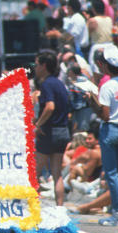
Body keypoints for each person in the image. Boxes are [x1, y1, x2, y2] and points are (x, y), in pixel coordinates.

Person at [86, 45, 118, 227]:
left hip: (110, 129)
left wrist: (92, 102)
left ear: (106, 66)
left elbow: (105, 115)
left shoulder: (107, 86)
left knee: (112, 173)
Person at [34, 51, 71, 205]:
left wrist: (38, 124)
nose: (35, 68)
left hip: (49, 132)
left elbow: (50, 107)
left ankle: (32, 208)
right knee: (57, 174)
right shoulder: (60, 84)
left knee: (34, 173)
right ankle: (59, 209)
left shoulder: (47, 83)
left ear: (44, 66)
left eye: (36, 65)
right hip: (63, 130)